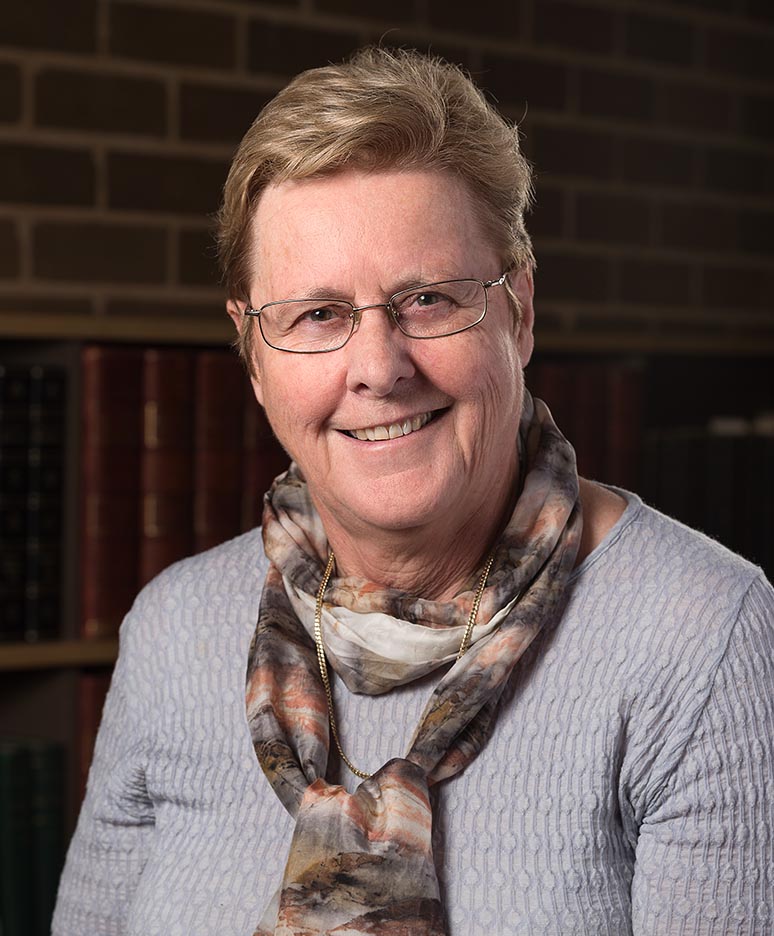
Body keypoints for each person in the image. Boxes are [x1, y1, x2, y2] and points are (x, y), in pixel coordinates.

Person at [53, 47, 774, 936]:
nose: (378, 369)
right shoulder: (171, 634)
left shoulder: (703, 639)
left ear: (520, 308)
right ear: (251, 353)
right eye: (318, 315)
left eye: (427, 299)